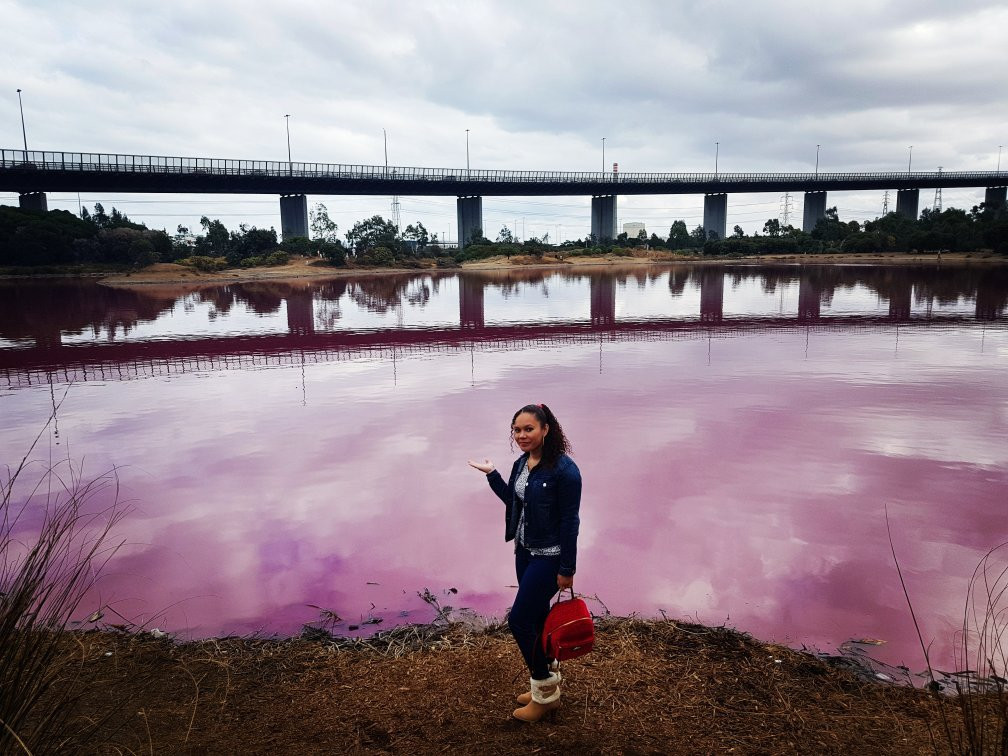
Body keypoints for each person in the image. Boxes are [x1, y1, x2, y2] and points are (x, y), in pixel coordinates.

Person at [468, 403, 582, 722]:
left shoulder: (565, 471)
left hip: (549, 559)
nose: (521, 435)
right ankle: (547, 677)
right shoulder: (521, 464)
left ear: (546, 429)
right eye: (516, 430)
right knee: (536, 618)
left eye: (528, 429)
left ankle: (544, 692)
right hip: (524, 554)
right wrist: (492, 475)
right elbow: (513, 501)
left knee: (519, 620)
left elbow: (570, 522)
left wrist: (567, 569)